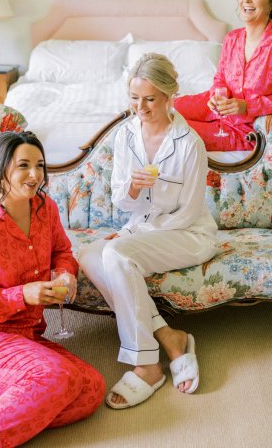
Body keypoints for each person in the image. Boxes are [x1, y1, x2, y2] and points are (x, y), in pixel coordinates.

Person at [0, 131, 105, 447]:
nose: (35, 176)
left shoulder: (46, 208)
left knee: (91, 389)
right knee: (56, 378)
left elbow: (62, 251)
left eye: (40, 165)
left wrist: (65, 276)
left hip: (26, 333)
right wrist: (22, 294)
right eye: (23, 166)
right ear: (0, 169)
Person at [80, 53, 219, 410]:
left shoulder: (189, 143)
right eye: (134, 98)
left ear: (170, 96)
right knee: (90, 254)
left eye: (150, 99)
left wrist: (134, 236)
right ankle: (170, 337)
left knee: (116, 252)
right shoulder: (125, 136)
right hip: (142, 230)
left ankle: (147, 365)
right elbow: (120, 202)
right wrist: (131, 190)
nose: (140, 107)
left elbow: (187, 213)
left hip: (188, 235)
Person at [174, 0, 272, 151]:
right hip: (216, 109)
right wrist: (215, 97)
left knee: (173, 129)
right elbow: (220, 78)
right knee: (164, 108)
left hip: (244, 129)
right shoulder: (232, 39)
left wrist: (247, 106)